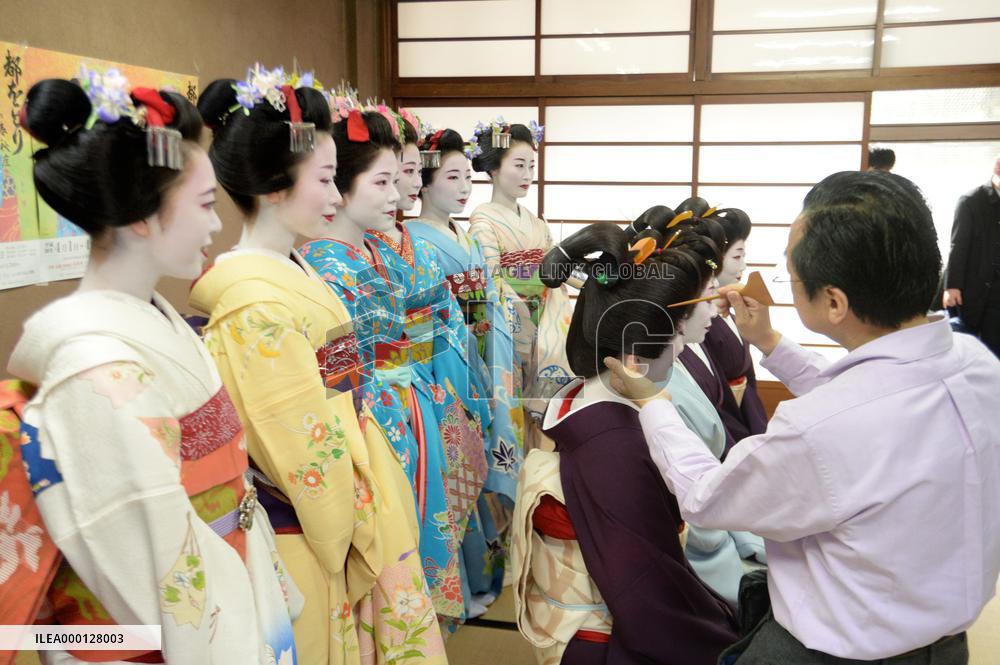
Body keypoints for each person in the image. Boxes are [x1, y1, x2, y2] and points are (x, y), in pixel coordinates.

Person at [607, 170, 1000, 663]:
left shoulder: (821, 429)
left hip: (834, 650)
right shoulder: (978, 365)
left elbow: (708, 497)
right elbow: (869, 396)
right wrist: (770, 342)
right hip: (945, 645)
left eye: (789, 273)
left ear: (834, 301)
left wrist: (652, 403)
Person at [7, 70, 299, 663]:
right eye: (204, 204)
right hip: (148, 638)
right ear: (142, 217)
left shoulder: (153, 321)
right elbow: (154, 555)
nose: (217, 225)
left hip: (221, 577)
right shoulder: (95, 370)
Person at [192, 68, 443, 664]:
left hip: (358, 469)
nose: (337, 196)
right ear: (275, 185)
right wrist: (348, 528)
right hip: (308, 526)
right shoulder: (253, 301)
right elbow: (299, 443)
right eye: (327, 179)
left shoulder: (292, 272)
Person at [512, 219, 738, 664]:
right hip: (606, 640)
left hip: (600, 611)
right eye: (673, 333)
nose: (679, 346)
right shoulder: (617, 448)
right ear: (633, 359)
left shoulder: (580, 398)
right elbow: (652, 596)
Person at [468, 118, 574, 449]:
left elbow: (555, 270)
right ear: (494, 169)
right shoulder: (482, 221)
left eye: (532, 165)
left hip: (544, 319)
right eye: (519, 165)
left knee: (545, 425)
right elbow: (491, 281)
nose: (528, 174)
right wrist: (526, 322)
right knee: (514, 417)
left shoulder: (535, 222)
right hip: (511, 329)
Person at [943, 155, 1000, 357]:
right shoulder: (971, 201)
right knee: (970, 348)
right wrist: (952, 286)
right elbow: (958, 244)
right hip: (975, 287)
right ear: (997, 170)